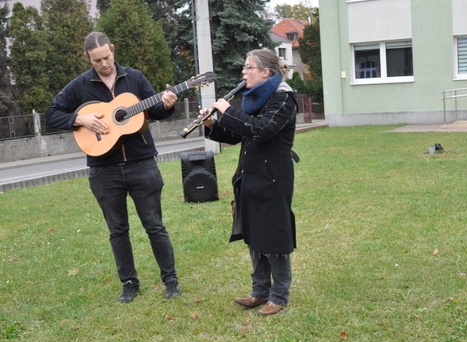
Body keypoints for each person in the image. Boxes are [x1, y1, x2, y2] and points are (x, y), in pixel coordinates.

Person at [44, 32, 181, 304]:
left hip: (142, 163)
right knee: (117, 229)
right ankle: (129, 283)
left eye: (107, 57)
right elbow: (51, 114)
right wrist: (79, 118)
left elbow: (153, 112)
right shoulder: (79, 86)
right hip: (103, 169)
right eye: (97, 60)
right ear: (88, 58)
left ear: (113, 50)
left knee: (154, 225)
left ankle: (171, 281)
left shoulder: (135, 78)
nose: (104, 64)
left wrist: (167, 106)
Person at [201, 49, 298, 316]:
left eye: (248, 67)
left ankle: (278, 296)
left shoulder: (283, 98)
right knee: (254, 232)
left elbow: (262, 130)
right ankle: (259, 291)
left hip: (272, 177)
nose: (243, 72)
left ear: (265, 72)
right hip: (249, 174)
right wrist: (212, 124)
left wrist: (228, 111)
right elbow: (238, 135)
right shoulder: (254, 99)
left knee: (274, 236)